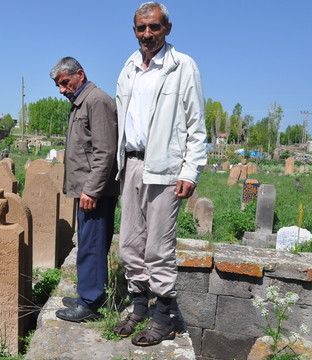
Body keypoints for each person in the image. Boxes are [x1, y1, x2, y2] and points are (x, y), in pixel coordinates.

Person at [113, 1, 207, 346]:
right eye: (141, 28)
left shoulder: (182, 67)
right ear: (134, 30)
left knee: (158, 248)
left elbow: (196, 124)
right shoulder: (129, 67)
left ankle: (163, 316)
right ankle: (139, 305)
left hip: (166, 169)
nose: (147, 34)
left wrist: (191, 170)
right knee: (129, 245)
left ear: (167, 28)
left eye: (153, 27)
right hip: (132, 164)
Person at [49, 57, 119, 322]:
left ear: (80, 74)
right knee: (90, 243)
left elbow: (105, 150)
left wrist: (92, 189)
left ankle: (89, 302)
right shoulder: (81, 102)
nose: (61, 90)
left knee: (91, 244)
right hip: (87, 190)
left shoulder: (96, 101)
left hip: (95, 191)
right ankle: (89, 295)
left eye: (64, 82)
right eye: (58, 85)